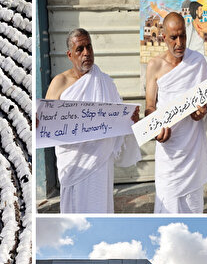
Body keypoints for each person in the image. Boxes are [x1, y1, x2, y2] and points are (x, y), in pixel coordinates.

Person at [44, 28, 141, 213]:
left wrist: (131, 119)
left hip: (99, 161)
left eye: (89, 47)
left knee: (100, 208)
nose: (86, 53)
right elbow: (45, 119)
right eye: (80, 49)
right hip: (74, 162)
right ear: (69, 54)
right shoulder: (60, 82)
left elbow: (119, 118)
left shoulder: (104, 81)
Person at [144, 12, 207, 213]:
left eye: (183, 36)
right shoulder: (154, 65)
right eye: (174, 37)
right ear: (164, 37)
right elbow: (149, 106)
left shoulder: (198, 62)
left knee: (193, 206)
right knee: (167, 203)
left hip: (192, 148)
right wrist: (156, 129)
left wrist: (202, 111)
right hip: (169, 150)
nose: (179, 42)